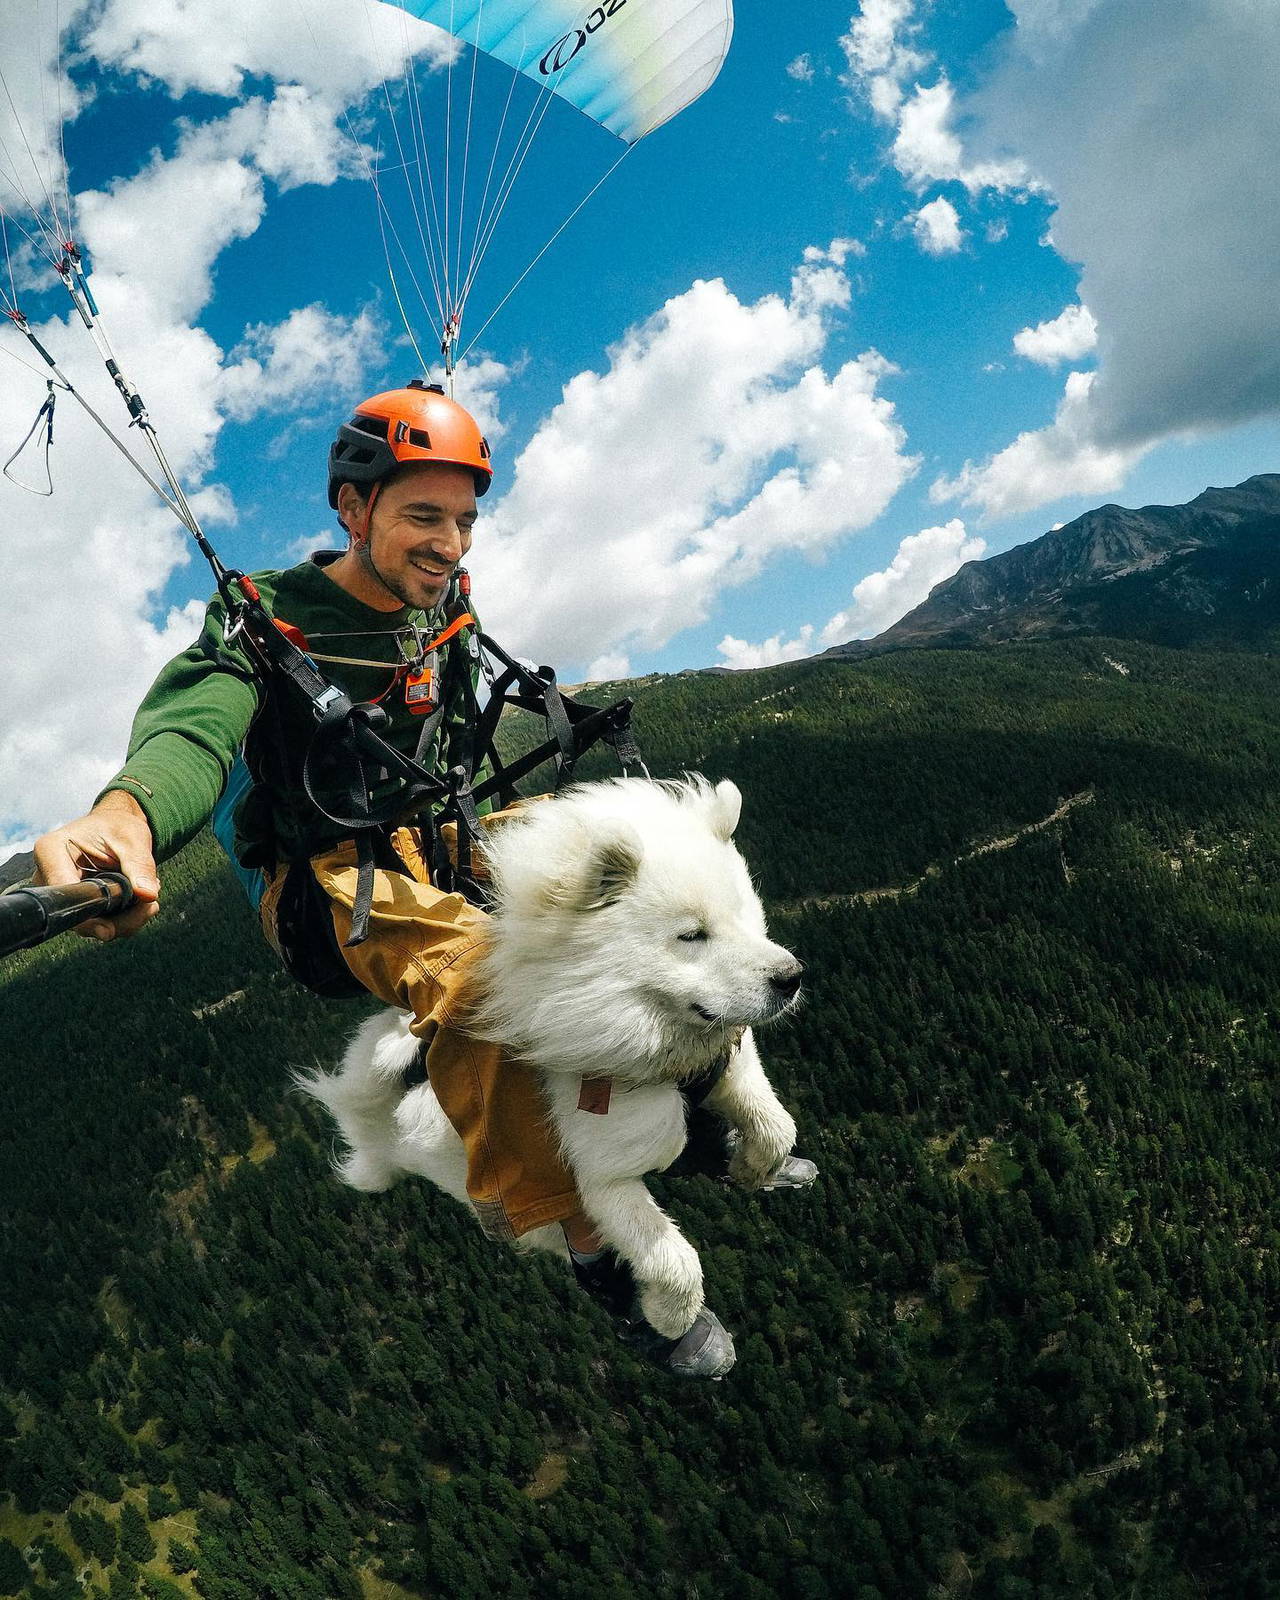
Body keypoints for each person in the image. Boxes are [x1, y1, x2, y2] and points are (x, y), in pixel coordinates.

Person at [31, 380, 751, 1376]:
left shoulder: (441, 600)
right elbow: (193, 724)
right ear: (352, 508)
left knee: (648, 845)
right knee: (481, 981)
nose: (450, 543)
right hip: (331, 887)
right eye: (423, 516)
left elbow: (447, 728)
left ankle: (705, 1088)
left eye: (462, 519)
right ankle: (598, 1249)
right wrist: (129, 813)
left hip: (438, 834)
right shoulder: (266, 620)